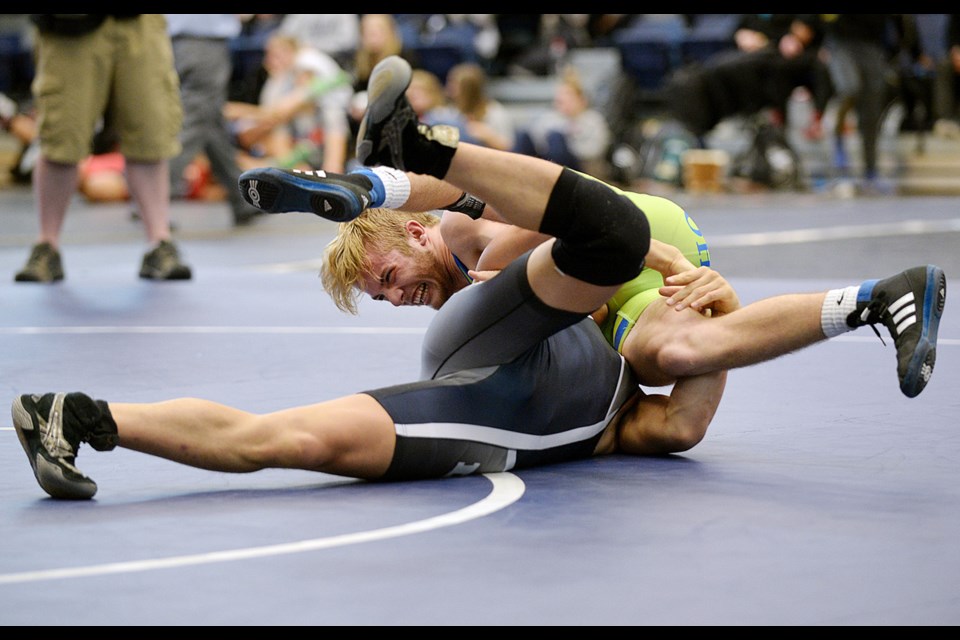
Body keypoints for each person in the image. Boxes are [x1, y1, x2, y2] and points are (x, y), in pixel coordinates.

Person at [13, 56, 944, 504]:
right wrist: (717, 294)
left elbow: (597, 237)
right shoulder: (623, 407)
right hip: (544, 343)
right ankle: (82, 419)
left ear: (407, 233)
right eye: (380, 296)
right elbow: (685, 421)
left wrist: (678, 269)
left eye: (387, 275)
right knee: (675, 340)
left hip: (586, 276)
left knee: (530, 245)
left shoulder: (477, 250)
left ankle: (383, 171)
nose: (394, 294)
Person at [13, 14, 191, 283]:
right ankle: (46, 246)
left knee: (150, 134)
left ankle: (159, 242)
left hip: (138, 22)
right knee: (62, 136)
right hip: (69, 25)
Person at [165, 14, 264, 226]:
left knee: (212, 124)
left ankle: (242, 198)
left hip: (182, 42)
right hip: (205, 44)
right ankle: (155, 197)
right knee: (195, 122)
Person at [512, 65, 611, 174]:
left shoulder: (593, 120)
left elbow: (593, 152)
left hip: (579, 169)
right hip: (549, 160)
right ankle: (514, 174)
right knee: (523, 134)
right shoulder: (550, 118)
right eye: (560, 99)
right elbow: (537, 142)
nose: (563, 103)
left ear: (581, 100)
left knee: (556, 137)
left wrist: (568, 138)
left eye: (568, 98)